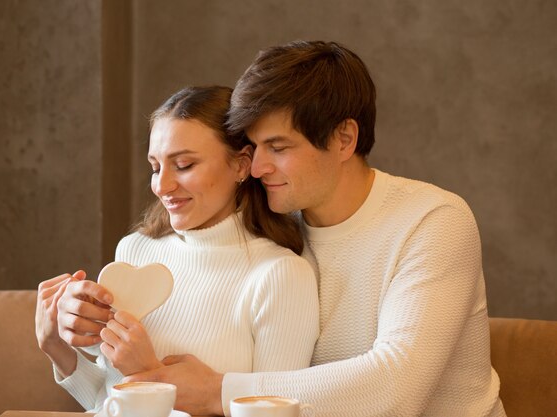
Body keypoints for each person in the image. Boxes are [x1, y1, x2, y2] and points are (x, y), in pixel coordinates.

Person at [125, 41, 507, 416]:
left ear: (344, 139)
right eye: (255, 147)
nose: (257, 168)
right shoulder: (274, 231)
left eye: (278, 147)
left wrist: (218, 392)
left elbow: (395, 389)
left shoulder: (433, 220)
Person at [34, 85, 319, 413]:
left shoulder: (280, 276)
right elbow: (108, 400)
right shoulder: (135, 252)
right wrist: (56, 346)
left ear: (241, 165)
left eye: (183, 165)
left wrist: (147, 374)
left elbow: (273, 415)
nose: (161, 186)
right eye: (155, 167)